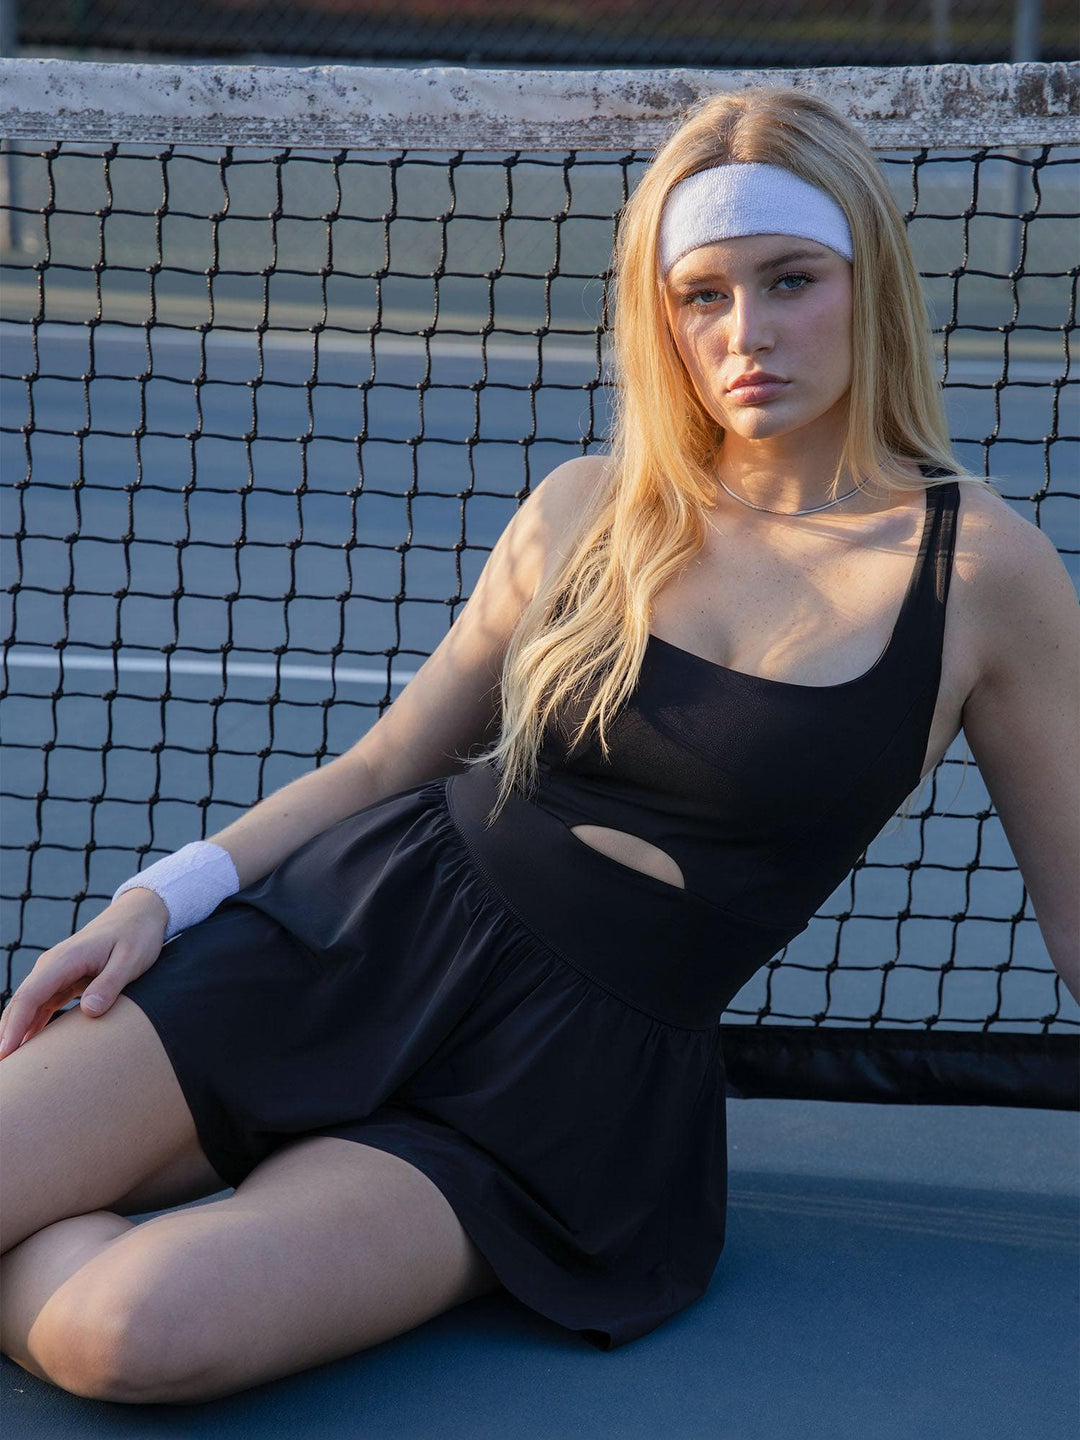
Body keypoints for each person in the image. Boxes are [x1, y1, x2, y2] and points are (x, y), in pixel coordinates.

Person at [1, 84, 1077, 1406]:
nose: (746, 333)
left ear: (871, 285)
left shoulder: (986, 576)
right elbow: (383, 767)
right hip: (354, 942)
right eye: (702, 295)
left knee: (126, 1337)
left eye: (791, 280)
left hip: (558, 1091)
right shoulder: (584, 510)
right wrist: (158, 901)